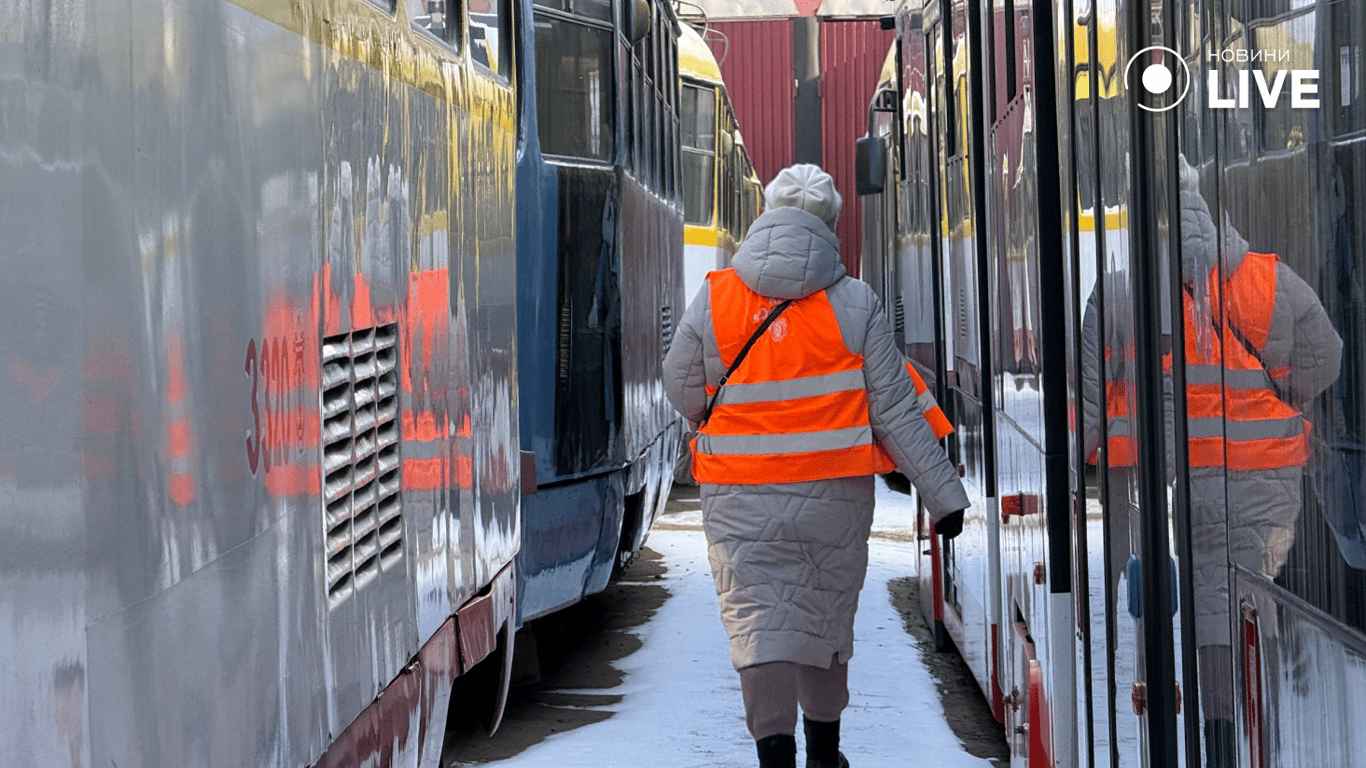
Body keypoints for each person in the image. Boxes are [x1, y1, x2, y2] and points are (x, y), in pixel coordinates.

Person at [662, 164, 970, 768]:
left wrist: (716, 417)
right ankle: (826, 755)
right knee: (824, 621)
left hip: (737, 496)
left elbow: (679, 380)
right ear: (829, 224)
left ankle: (774, 755)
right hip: (834, 498)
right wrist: (944, 497)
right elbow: (896, 411)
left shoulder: (717, 293)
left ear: (766, 214)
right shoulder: (855, 302)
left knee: (758, 624)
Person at [1081, 156, 1341, 768]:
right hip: (1273, 475)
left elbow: (1088, 406)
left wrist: (1089, 465)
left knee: (1213, 611)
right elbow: (1325, 355)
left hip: (1184, 480)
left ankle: (1222, 746)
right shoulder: (1265, 278)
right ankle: (1264, 737)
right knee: (1254, 599)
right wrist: (1282, 396)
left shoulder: (1121, 290)